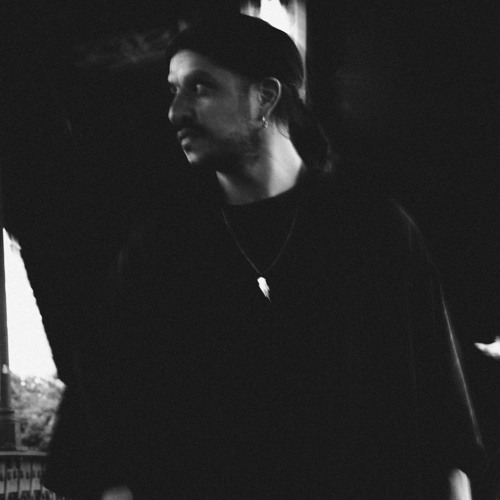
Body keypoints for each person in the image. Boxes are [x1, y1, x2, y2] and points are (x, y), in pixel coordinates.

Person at [45, 13, 486, 499]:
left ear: (266, 96)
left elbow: (440, 419)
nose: (176, 112)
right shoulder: (161, 250)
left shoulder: (372, 229)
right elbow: (101, 420)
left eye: (200, 87)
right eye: (173, 90)